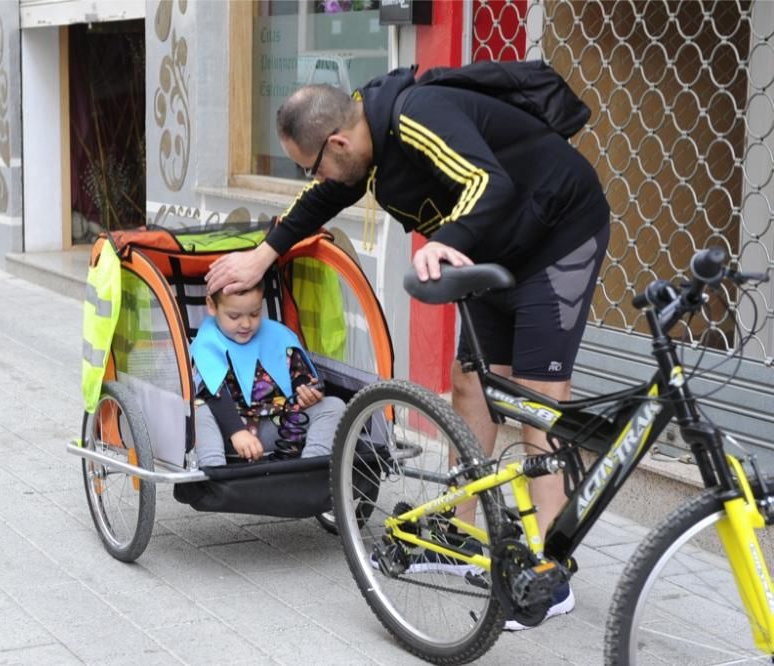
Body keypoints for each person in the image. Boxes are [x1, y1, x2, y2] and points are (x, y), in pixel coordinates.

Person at [205, 67, 611, 628]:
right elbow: (325, 195)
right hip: (497, 242)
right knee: (472, 382)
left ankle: (551, 570)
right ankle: (461, 536)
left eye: (312, 162)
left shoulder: (417, 115)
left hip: (558, 229)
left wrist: (445, 241)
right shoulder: (363, 149)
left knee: (538, 403)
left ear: (338, 142)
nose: (314, 174)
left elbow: (488, 185)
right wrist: (265, 252)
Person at [191, 282, 345, 468]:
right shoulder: (206, 343)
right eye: (234, 316)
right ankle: (214, 474)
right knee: (199, 411)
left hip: (283, 427)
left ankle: (311, 468)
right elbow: (213, 392)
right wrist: (236, 431)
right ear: (212, 306)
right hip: (232, 433)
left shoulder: (278, 335)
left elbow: (298, 373)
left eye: (255, 314)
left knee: (334, 406)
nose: (246, 324)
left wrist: (306, 391)